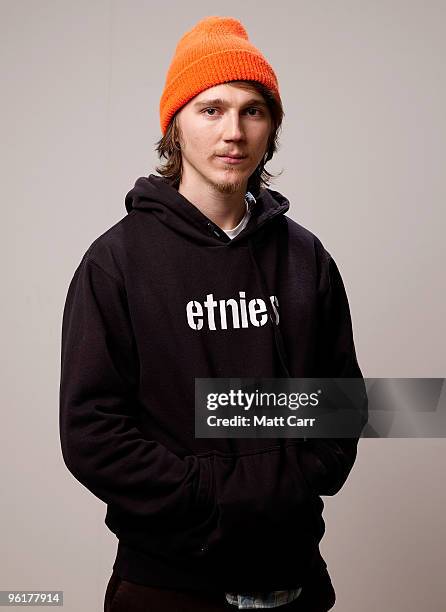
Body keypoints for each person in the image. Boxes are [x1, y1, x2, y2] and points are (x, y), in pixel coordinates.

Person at [59, 15, 367, 612]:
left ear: (272, 126)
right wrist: (211, 494)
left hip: (296, 580)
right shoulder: (115, 263)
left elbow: (343, 401)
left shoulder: (306, 257)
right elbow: (92, 432)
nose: (234, 131)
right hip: (168, 587)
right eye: (211, 109)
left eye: (253, 110)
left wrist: (292, 482)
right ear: (174, 126)